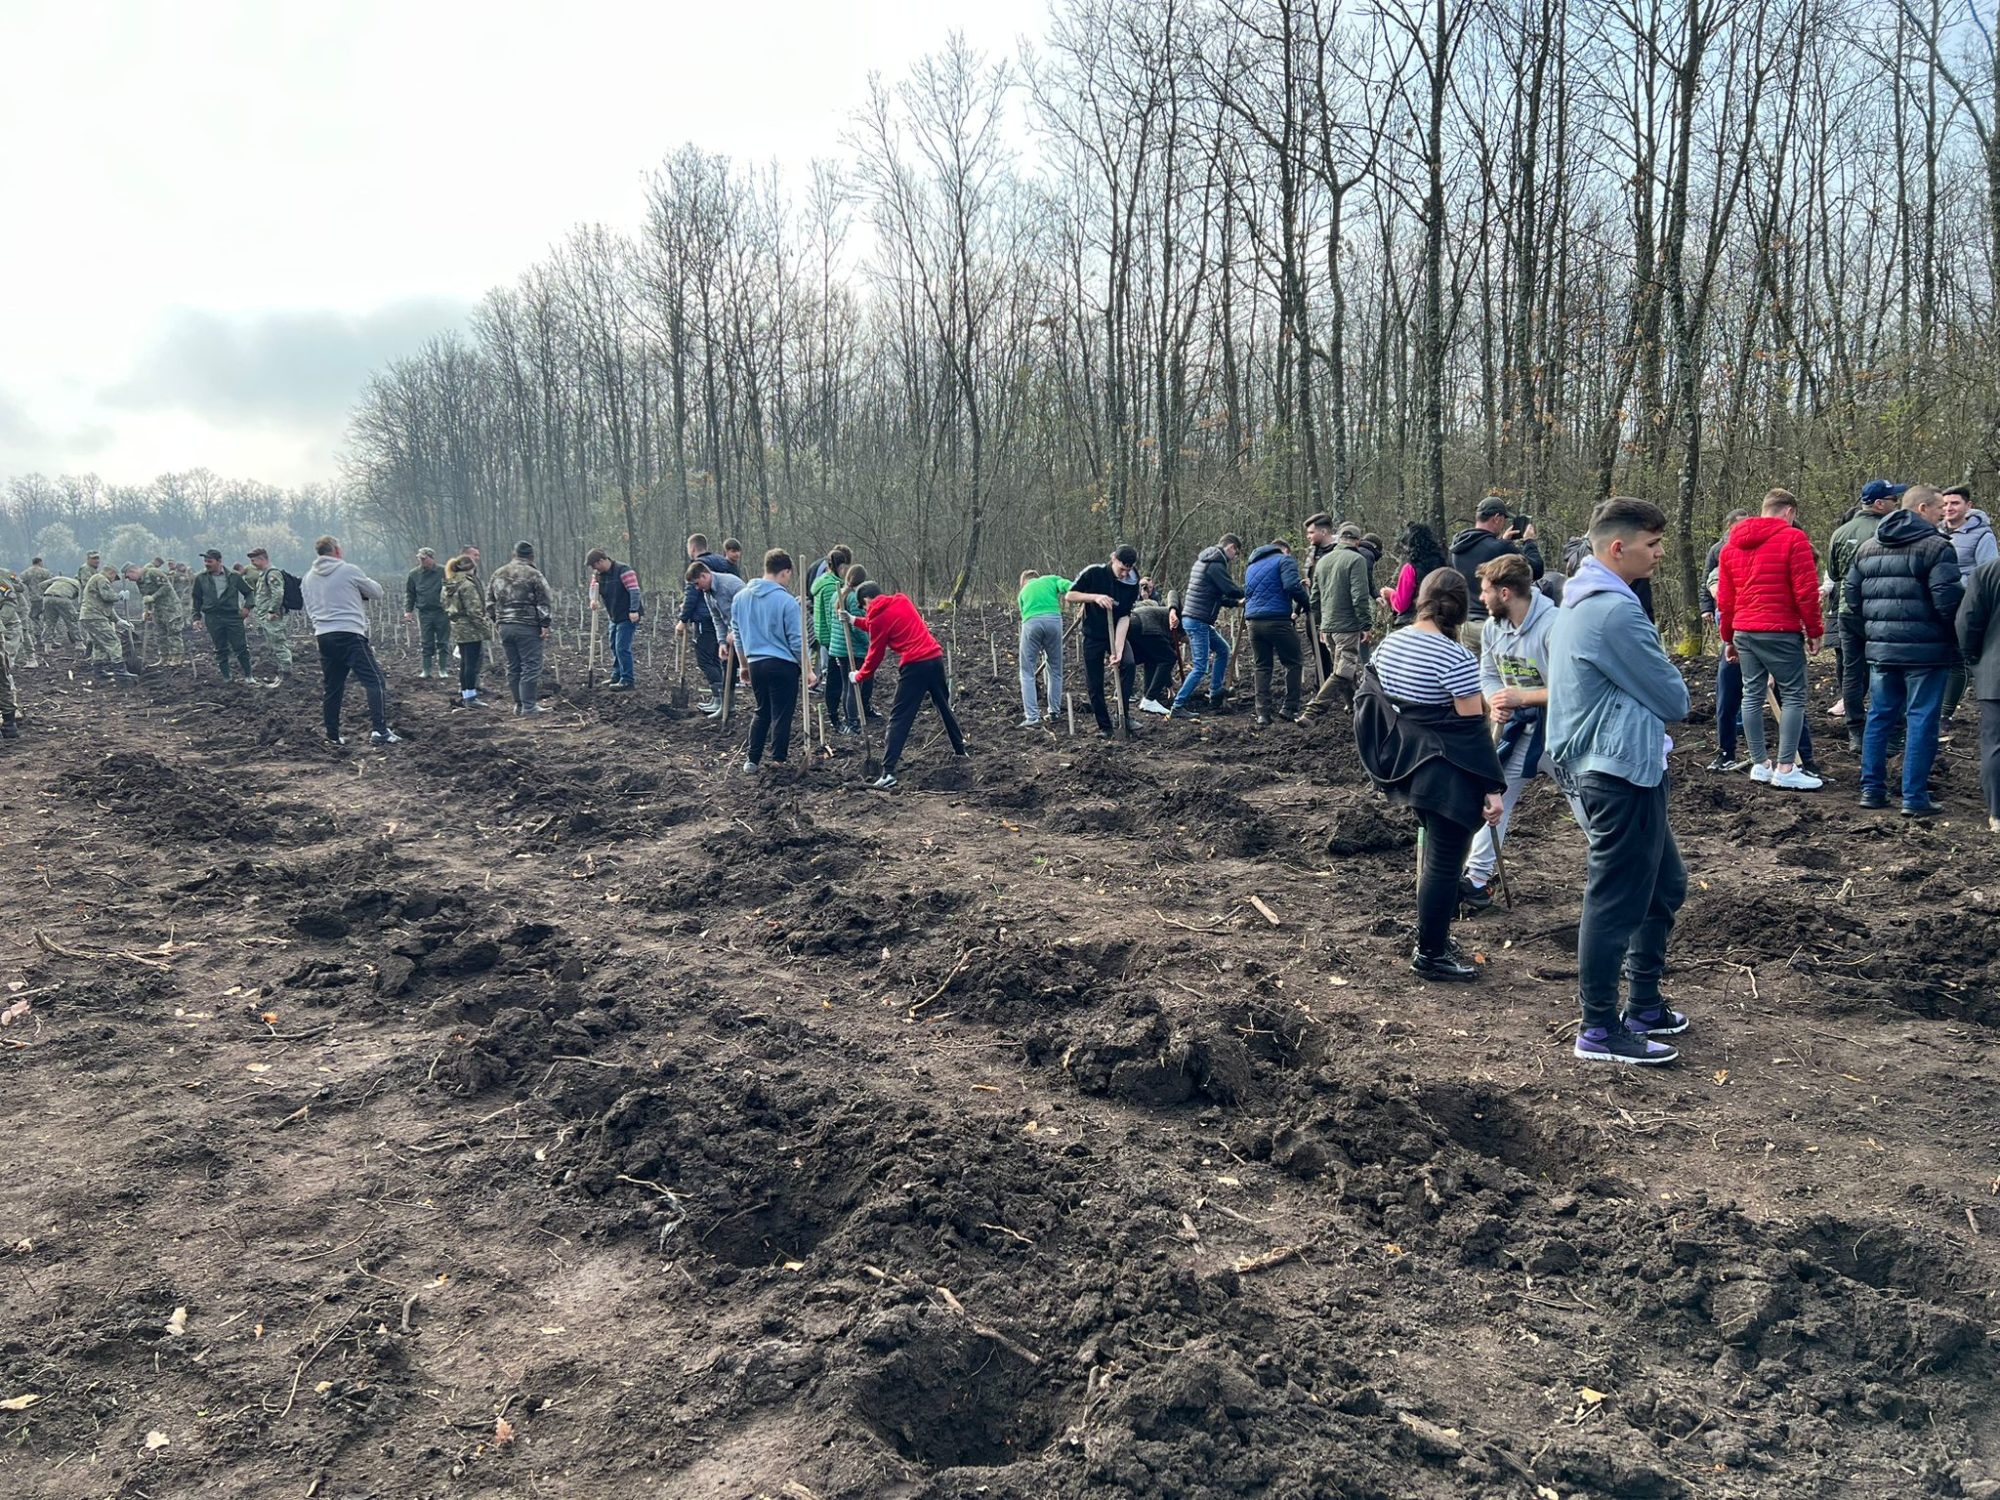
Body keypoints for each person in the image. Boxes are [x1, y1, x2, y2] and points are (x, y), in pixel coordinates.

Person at [1547, 497, 1689, 1066]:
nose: (1659, 554)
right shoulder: (1612, 612)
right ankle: (1600, 1027)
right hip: (1617, 771)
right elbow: (1674, 698)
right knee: (1616, 900)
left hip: (1615, 765)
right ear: (1617, 547)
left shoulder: (1582, 601)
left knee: (1664, 884)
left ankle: (1645, 1005)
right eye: (1652, 544)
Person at [1353, 570, 1505, 982]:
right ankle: (1431, 955)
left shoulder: (1389, 644)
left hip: (1405, 763)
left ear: (1421, 599)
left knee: (1439, 858)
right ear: (1459, 607)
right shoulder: (1456, 658)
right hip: (1445, 774)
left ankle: (1434, 938)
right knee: (1444, 863)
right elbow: (1470, 732)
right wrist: (1492, 787)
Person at [1459, 553, 1576, 909]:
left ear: (1505, 593)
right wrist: (1496, 700)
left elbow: (1573, 688)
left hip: (1562, 736)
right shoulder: (1493, 628)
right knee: (1495, 800)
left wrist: (1522, 696)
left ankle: (1622, 870)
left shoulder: (1555, 627)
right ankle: (1476, 881)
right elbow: (1488, 673)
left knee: (1589, 804)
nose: (1481, 598)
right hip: (1517, 732)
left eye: (1485, 591)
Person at [1846, 484, 1961, 817]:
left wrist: (1874, 631)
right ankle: (1914, 796)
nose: (1943, 514)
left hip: (1882, 649)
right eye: (1939, 508)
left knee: (1880, 716)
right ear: (1922, 509)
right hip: (1927, 652)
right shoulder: (1937, 547)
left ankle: (1872, 790)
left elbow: (1852, 598)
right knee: (1922, 720)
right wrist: (1956, 638)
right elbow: (1948, 602)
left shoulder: (1867, 547)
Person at [1715, 488, 1824, 790]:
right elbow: (1805, 591)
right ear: (1789, 511)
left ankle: (1760, 764)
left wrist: (1728, 638)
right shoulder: (1794, 539)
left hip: (1744, 630)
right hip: (1780, 629)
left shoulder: (1730, 546)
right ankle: (1786, 767)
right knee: (1794, 695)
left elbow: (1725, 599)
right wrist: (1814, 630)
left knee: (1751, 693)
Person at [850, 583, 967, 788]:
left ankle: (888, 773)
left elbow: (875, 655)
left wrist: (859, 676)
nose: (865, 611)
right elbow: (879, 622)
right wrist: (853, 621)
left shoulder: (877, 619)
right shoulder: (901, 600)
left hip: (914, 666)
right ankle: (961, 750)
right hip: (935, 658)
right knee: (943, 706)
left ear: (867, 600)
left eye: (863, 607)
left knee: (899, 717)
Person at [301, 535, 397, 746]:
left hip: (323, 636)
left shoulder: (308, 578)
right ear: (336, 550)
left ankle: (332, 735)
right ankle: (380, 731)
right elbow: (377, 592)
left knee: (333, 687)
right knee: (375, 681)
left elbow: (309, 605)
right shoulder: (348, 570)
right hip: (350, 634)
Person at [1828, 480, 1904, 746]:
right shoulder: (1891, 530)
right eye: (1893, 500)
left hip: (1847, 610)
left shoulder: (1840, 532)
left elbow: (1834, 573)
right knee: (1885, 667)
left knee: (1852, 670)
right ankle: (1889, 728)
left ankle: (1855, 731)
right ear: (1879, 504)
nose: (1897, 504)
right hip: (1881, 609)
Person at [731, 549, 814, 771]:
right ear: (785, 572)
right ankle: (778, 760)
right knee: (781, 713)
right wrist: (807, 668)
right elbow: (797, 640)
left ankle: (752, 760)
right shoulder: (787, 601)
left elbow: (738, 635)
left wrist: (744, 665)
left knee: (762, 710)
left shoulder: (740, 598)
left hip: (755, 664)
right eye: (789, 575)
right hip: (782, 666)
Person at [1070, 544, 1143, 737]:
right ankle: (1105, 727)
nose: (1124, 574)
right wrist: (1095, 597)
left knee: (1128, 663)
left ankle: (1123, 715)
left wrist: (1117, 650)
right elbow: (1070, 595)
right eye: (1122, 569)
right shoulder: (1094, 573)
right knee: (1095, 683)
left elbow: (1125, 617)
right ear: (1113, 559)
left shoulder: (1132, 582)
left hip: (1116, 631)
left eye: (1128, 570)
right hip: (1093, 634)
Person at [1304, 525, 1377, 717]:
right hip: (1346, 626)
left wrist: (1320, 625)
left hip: (1328, 627)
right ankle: (1313, 710)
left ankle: (1354, 706)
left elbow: (1314, 599)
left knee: (1344, 669)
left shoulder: (1323, 561)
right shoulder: (1357, 560)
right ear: (1358, 541)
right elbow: (1359, 597)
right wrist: (1366, 625)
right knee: (1343, 671)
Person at [1450, 498, 1544, 647]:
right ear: (1497, 518)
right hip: (1495, 625)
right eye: (1504, 519)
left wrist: (1502, 540)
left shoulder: (1458, 547)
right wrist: (1529, 542)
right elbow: (1536, 569)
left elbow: (1483, 553)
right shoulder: (1501, 548)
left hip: (1467, 625)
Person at [1170, 534, 1244, 718]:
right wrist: (1250, 591)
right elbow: (1229, 589)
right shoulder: (1216, 564)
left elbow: (1217, 596)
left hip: (1196, 618)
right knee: (1200, 667)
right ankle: (1178, 705)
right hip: (1197, 620)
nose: (1235, 557)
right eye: (1236, 553)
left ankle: (1215, 691)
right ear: (1231, 547)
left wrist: (1237, 603)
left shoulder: (1206, 561)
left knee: (1223, 649)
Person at [1242, 538, 1312, 726]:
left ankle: (1262, 713)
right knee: (1293, 661)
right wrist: (1307, 603)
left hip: (1254, 623)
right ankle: (1289, 708)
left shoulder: (1251, 566)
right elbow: (1291, 586)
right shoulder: (1284, 560)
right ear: (1284, 550)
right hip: (1277, 620)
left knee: (1262, 666)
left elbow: (1250, 593)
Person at [1939, 485, 1994, 724]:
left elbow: (1988, 574)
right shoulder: (1935, 531)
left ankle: (1945, 713)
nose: (1949, 508)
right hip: (1937, 605)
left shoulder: (1982, 536)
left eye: (1955, 503)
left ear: (1968, 506)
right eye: (1945, 504)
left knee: (1957, 659)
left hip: (1965, 606)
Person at [488, 540, 555, 716]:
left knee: (513, 665)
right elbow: (544, 600)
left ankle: (519, 705)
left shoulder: (498, 574)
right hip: (527, 626)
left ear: (514, 554)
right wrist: (545, 624)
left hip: (505, 626)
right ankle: (529, 706)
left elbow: (489, 602)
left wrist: (497, 620)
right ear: (531, 556)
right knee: (530, 665)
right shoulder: (534, 575)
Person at [679, 533, 737, 707]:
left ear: (692, 548)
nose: (698, 587)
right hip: (722, 620)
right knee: (718, 658)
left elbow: (691, 595)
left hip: (706, 619)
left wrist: (683, 619)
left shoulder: (697, 568)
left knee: (705, 659)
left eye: (698, 584)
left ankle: (720, 699)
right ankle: (721, 700)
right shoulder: (724, 562)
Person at [684, 560, 746, 716]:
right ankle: (727, 707)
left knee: (752, 668)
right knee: (727, 664)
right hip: (733, 634)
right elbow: (717, 618)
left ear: (704, 576)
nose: (697, 588)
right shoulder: (707, 593)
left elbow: (748, 610)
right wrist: (722, 642)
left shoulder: (730, 584)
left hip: (750, 631)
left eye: (697, 583)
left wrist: (735, 630)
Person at [1015, 565, 1072, 727]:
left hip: (1031, 623)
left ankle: (1032, 717)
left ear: (1023, 582)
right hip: (1054, 622)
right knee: (1055, 668)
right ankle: (1054, 712)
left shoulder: (1022, 593)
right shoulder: (1051, 579)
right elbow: (1069, 586)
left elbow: (1024, 616)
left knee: (1027, 671)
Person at [810, 547, 858, 730]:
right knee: (835, 680)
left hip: (824, 636)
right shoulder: (832, 586)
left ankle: (835, 715)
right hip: (831, 639)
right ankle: (835, 718)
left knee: (834, 678)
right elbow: (832, 616)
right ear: (841, 566)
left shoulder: (822, 581)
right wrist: (839, 640)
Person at [585, 547, 644, 690]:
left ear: (601, 561)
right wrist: (593, 600)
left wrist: (633, 610)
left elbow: (634, 591)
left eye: (595, 565)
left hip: (628, 615)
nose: (594, 569)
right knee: (613, 645)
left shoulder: (624, 570)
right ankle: (617, 674)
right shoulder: (598, 575)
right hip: (614, 615)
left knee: (622, 647)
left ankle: (627, 680)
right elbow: (593, 590)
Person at [191, 549, 253, 682]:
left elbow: (248, 593)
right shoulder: (200, 578)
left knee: (241, 647)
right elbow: (196, 599)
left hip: (232, 616)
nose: (206, 564)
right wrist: (196, 618)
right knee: (220, 648)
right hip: (213, 617)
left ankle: (249, 676)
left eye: (210, 561)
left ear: (219, 561)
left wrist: (247, 607)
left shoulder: (234, 577)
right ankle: (227, 677)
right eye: (205, 561)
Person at [825, 561, 874, 731]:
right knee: (854, 686)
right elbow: (858, 627)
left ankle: (849, 719)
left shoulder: (836, 595)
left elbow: (831, 621)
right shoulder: (854, 598)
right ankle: (853, 722)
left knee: (846, 685)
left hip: (838, 649)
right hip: (853, 649)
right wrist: (868, 644)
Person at [443, 553, 492, 707]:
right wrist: (485, 630)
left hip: (457, 626)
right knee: (471, 663)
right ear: (472, 568)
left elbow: (444, 605)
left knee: (464, 662)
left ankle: (466, 694)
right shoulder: (468, 585)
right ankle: (471, 698)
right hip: (471, 628)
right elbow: (474, 611)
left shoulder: (449, 583)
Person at [1379, 521, 1449, 626]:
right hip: (1440, 622)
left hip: (1414, 621)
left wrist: (1391, 594)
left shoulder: (1410, 568)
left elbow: (1401, 604)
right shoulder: (1444, 566)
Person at [1129, 578, 1180, 713]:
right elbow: (1172, 593)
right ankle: (1150, 699)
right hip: (1146, 623)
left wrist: (1169, 685)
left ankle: (1148, 698)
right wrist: (1173, 610)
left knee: (1152, 658)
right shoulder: (1183, 615)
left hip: (1135, 622)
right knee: (1169, 658)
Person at [245, 547, 293, 684]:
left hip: (273, 617)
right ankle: (281, 672)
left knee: (278, 643)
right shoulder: (264, 574)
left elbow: (278, 593)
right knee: (273, 644)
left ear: (262, 559)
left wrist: (272, 611)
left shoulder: (272, 573)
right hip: (266, 617)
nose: (252, 563)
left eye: (253, 560)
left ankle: (286, 674)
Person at [402, 548, 450, 679]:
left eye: (424, 559)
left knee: (443, 642)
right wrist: (408, 611)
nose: (422, 561)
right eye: (420, 559)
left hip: (442, 612)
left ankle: (443, 669)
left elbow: (453, 589)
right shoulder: (414, 574)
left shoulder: (444, 571)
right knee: (426, 642)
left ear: (432, 558)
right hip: (425, 613)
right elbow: (410, 594)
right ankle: (426, 670)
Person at [1303, 513, 1339, 681]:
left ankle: (1341, 687)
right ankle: (1321, 685)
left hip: (1333, 610)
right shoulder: (1312, 553)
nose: (1308, 536)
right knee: (1319, 651)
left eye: (1311, 532)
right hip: (1314, 610)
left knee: (1338, 653)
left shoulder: (1339, 551)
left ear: (1323, 532)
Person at [137, 556, 186, 667]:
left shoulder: (153, 572)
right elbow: (146, 596)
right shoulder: (140, 580)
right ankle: (164, 657)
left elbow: (166, 587)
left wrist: (153, 597)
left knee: (173, 632)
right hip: (158, 610)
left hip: (170, 608)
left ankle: (176, 658)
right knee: (160, 634)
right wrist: (147, 610)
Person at [38, 572, 81, 656]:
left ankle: (47, 647)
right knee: (72, 620)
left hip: (47, 598)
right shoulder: (79, 584)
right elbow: (80, 599)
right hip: (63, 598)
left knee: (49, 622)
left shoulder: (59, 578)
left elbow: (41, 585)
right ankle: (79, 644)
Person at [20, 557, 49, 663]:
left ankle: (39, 637)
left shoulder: (26, 573)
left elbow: (19, 583)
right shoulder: (45, 572)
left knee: (33, 616)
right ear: (40, 562)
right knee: (47, 618)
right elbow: (51, 582)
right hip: (46, 597)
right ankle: (47, 637)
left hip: (34, 598)